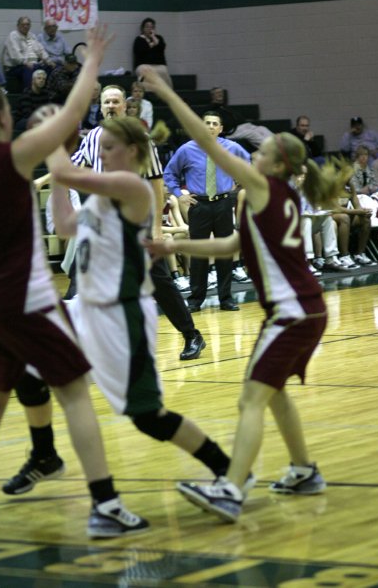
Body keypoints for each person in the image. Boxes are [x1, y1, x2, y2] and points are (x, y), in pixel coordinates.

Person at [140, 64, 352, 522]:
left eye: (263, 152)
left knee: (251, 399)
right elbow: (233, 246)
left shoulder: (263, 187)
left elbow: (209, 142)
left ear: (276, 164)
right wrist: (173, 244)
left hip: (292, 312)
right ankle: (304, 469)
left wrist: (166, 93)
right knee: (271, 394)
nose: (254, 154)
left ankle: (232, 490)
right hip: (302, 309)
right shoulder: (279, 197)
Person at [0, 24, 149, 538]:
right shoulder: (12, 155)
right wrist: (94, 60)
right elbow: (70, 115)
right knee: (74, 392)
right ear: (3, 116)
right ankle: (105, 503)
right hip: (24, 296)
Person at [43, 116, 238, 500]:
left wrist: (54, 149)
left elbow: (70, 171)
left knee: (149, 418)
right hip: (87, 309)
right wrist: (59, 176)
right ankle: (66, 470)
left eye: (109, 147)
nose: (101, 153)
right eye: (100, 147)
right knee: (38, 370)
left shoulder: (132, 187)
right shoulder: (102, 195)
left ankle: (229, 471)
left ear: (133, 152)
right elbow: (65, 224)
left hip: (122, 315)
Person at [71, 84, 205, 359]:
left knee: (158, 282)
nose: (110, 106)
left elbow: (157, 183)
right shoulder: (93, 137)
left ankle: (192, 335)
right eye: (106, 102)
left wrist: (157, 228)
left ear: (125, 107)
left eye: (115, 102)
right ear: (101, 107)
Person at [163, 111, 251, 312]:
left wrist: (239, 180)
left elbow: (249, 163)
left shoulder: (231, 147)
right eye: (207, 123)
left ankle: (226, 298)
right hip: (198, 205)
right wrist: (179, 194)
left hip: (222, 204)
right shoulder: (187, 149)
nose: (210, 126)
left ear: (220, 128)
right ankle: (196, 299)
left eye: (214, 124)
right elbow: (169, 173)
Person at [2, 16, 56, 89]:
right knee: (28, 68)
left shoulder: (32, 36)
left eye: (28, 24)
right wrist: (25, 62)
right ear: (18, 26)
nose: (25, 26)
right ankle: (29, 93)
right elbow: (15, 55)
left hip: (33, 64)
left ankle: (47, 92)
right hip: (15, 67)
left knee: (50, 67)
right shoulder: (13, 35)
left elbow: (40, 50)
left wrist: (48, 61)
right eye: (23, 24)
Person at [133, 18, 172, 88]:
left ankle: (167, 92)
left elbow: (162, 47)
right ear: (143, 28)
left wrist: (153, 37)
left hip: (158, 65)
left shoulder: (159, 38)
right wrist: (151, 44)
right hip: (143, 65)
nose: (149, 29)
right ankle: (145, 91)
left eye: (151, 27)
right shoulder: (139, 39)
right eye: (147, 27)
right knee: (144, 72)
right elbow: (141, 51)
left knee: (164, 71)